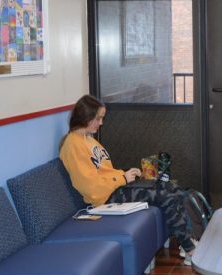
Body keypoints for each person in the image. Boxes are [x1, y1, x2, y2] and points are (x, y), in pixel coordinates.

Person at [59, 95, 198, 264]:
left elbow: (104, 172)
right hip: (104, 198)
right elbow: (92, 189)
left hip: (114, 188)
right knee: (164, 196)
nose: (101, 123)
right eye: (98, 118)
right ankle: (190, 249)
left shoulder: (88, 139)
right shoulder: (73, 146)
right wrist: (123, 177)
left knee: (170, 187)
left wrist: (124, 174)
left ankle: (188, 240)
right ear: (85, 117)